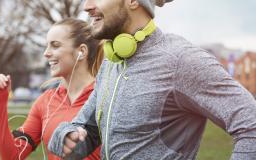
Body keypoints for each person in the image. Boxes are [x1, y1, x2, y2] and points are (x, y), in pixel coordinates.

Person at [48, 0, 256, 159]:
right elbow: (86, 129)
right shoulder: (111, 63)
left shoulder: (180, 60)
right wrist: (66, 135)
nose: (87, 6)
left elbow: (251, 124)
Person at [0, 18, 103, 160]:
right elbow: (12, 156)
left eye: (55, 46)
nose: (46, 53)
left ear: (81, 51)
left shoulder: (105, 97)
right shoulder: (45, 101)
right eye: (46, 46)